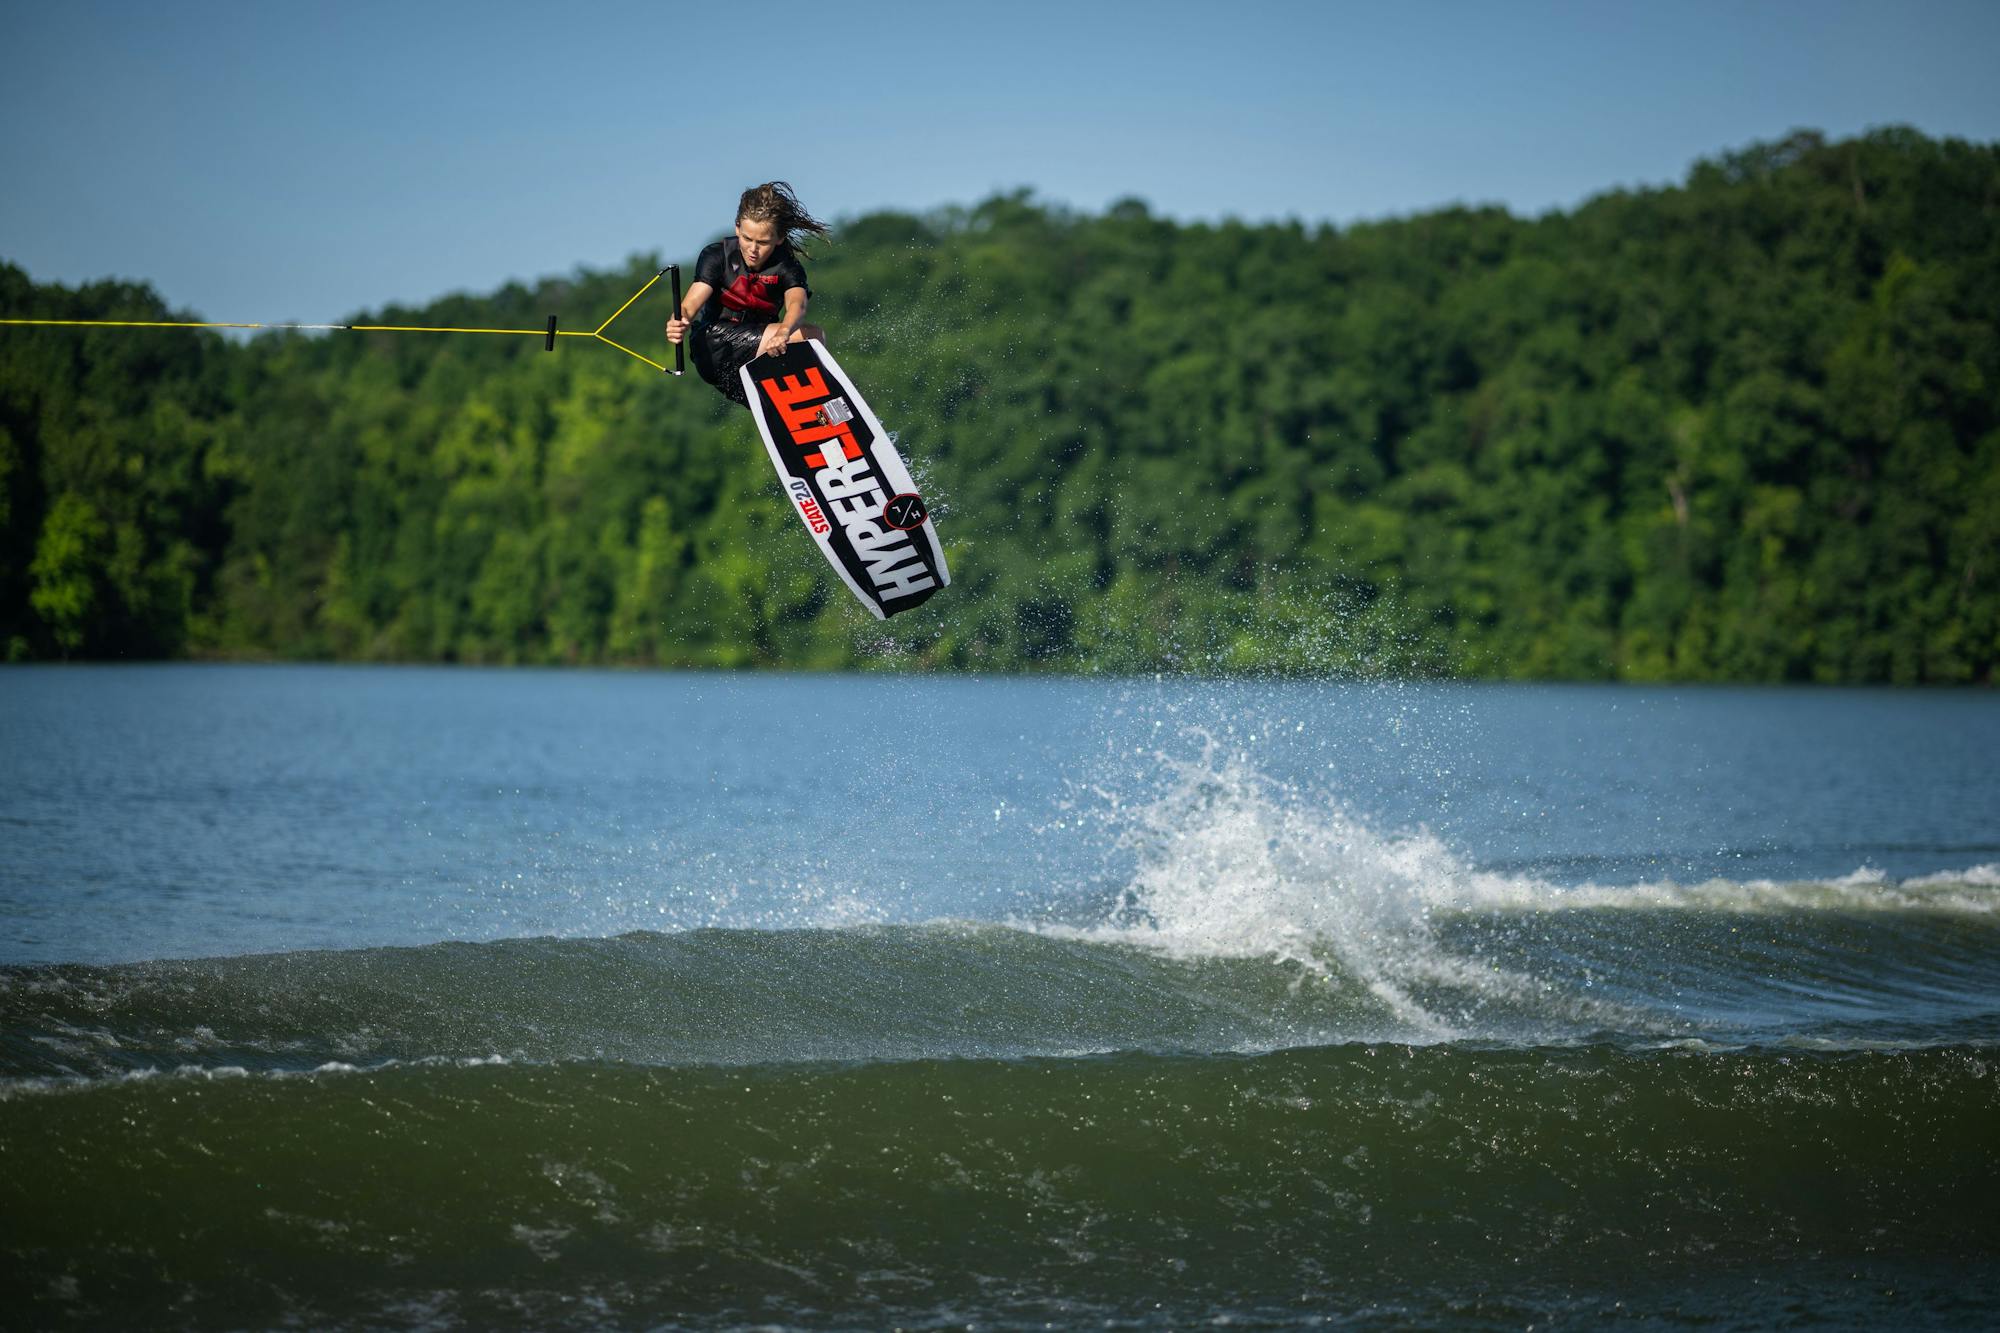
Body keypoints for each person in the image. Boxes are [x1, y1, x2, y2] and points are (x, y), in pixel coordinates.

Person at [666, 182, 830, 407]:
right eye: (746, 238)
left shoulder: (787, 267)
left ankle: (812, 412)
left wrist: (783, 332)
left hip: (752, 355)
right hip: (713, 345)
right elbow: (692, 302)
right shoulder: (717, 256)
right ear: (737, 228)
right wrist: (680, 320)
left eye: (762, 242)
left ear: (779, 238)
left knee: (776, 403)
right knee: (809, 335)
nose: (753, 249)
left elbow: (797, 305)